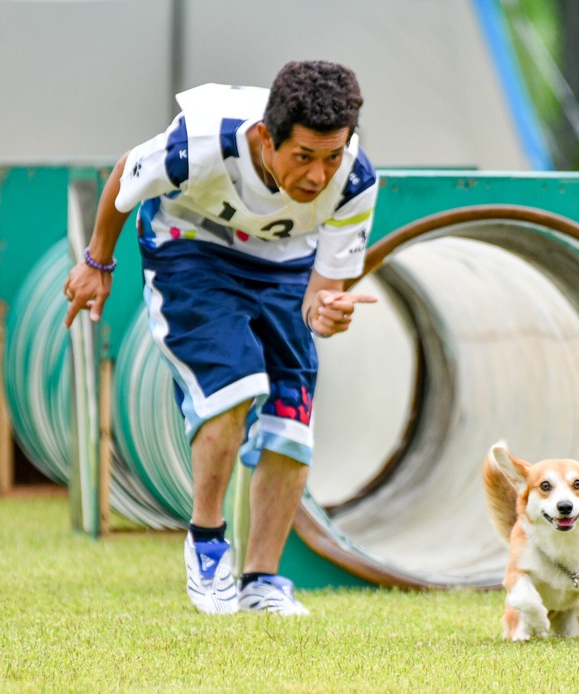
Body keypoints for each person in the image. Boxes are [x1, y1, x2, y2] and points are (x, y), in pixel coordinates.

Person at [61, 61, 378, 615]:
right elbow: (124, 176)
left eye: (331, 156)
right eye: (303, 157)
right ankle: (207, 543)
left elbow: (318, 295)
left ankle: (262, 582)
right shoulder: (200, 143)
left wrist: (324, 313)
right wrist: (97, 261)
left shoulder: (354, 180)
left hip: (283, 264)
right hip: (191, 249)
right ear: (264, 137)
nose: (317, 176)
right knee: (236, 383)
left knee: (292, 418)